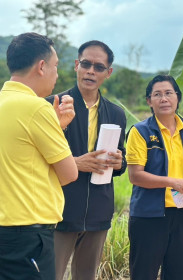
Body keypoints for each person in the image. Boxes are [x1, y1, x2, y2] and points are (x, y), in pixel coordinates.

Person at [0, 32, 78, 280]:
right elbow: (69, 174)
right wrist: (56, 126)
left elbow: (25, 157)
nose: (57, 74)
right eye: (55, 66)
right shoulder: (36, 106)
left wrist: (58, 127)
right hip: (27, 237)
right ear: (41, 66)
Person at [46, 40, 127, 280]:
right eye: (86, 64)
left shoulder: (116, 113)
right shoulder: (53, 105)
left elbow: (120, 162)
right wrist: (74, 163)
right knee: (50, 275)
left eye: (98, 67)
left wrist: (119, 162)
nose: (91, 71)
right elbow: (38, 158)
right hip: (60, 210)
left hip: (98, 212)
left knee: (86, 276)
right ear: (76, 66)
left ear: (108, 73)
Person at [126, 74, 183, 280]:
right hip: (149, 216)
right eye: (157, 94)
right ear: (149, 101)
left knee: (177, 274)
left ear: (177, 97)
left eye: (169, 93)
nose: (164, 99)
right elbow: (136, 176)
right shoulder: (140, 131)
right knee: (144, 274)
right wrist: (172, 182)